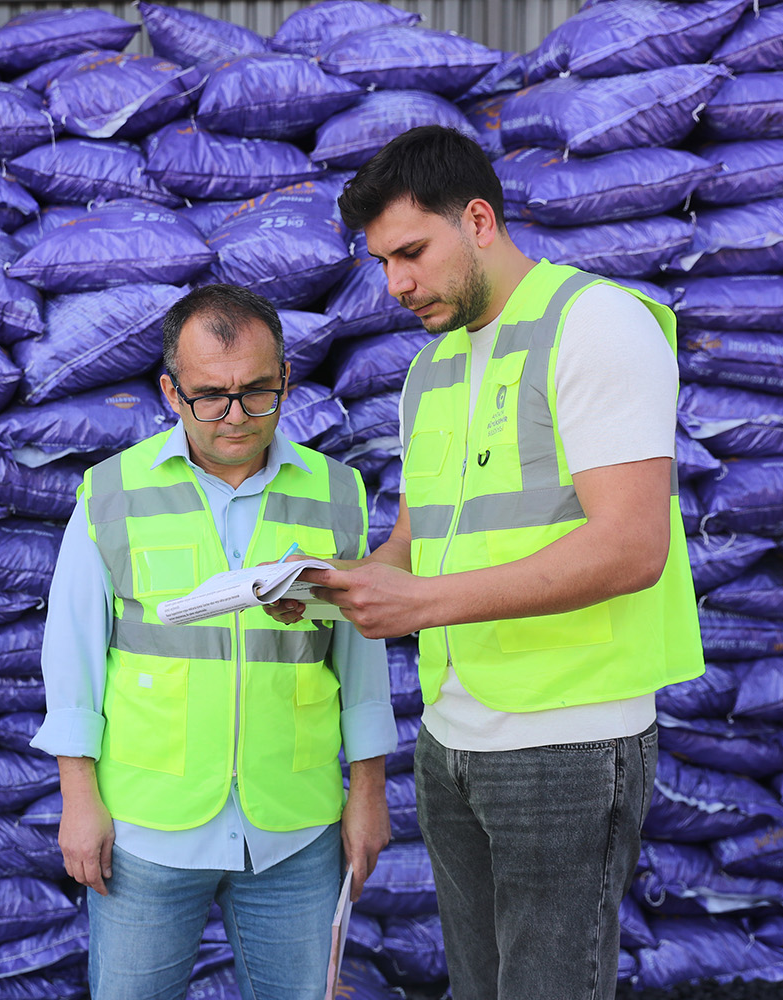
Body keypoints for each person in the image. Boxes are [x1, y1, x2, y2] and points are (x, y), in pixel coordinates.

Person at [271, 125, 705, 999]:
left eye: (411, 253)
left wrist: (424, 604)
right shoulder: (429, 371)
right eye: (383, 262)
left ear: (478, 219)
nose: (396, 284)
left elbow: (630, 548)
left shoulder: (596, 326)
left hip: (569, 742)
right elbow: (413, 545)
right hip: (452, 737)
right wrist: (328, 584)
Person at [30, 283, 398, 1000]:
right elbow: (70, 652)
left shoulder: (337, 493)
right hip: (149, 826)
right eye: (210, 395)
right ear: (171, 391)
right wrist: (79, 797)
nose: (236, 416)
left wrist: (370, 791)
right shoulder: (112, 492)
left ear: (286, 380)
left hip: (295, 825)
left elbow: (360, 657)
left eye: (258, 392)